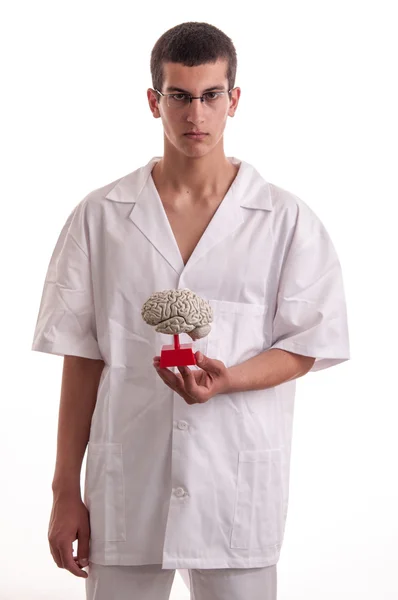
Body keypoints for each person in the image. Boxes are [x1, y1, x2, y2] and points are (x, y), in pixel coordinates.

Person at [31, 21, 350, 600]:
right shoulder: (101, 217)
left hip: (236, 483)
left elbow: (307, 342)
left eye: (210, 96)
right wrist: (63, 492)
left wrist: (229, 382)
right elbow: (82, 358)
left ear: (234, 99)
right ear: (155, 102)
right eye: (179, 96)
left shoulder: (284, 220)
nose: (195, 115)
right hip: (127, 483)